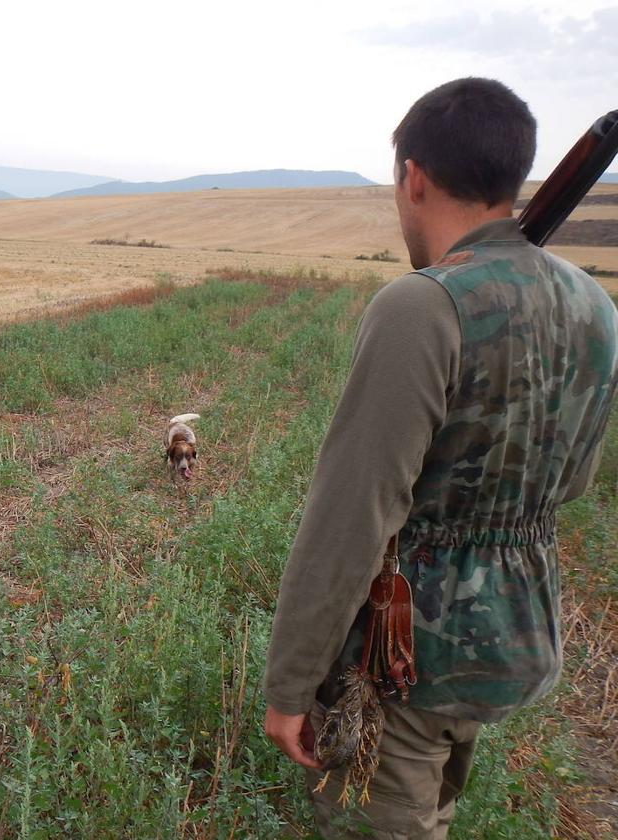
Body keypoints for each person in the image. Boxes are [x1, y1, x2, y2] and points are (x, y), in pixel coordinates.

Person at [262, 77, 618, 839]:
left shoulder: (421, 305)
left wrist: (291, 683)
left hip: (405, 661)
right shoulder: (596, 307)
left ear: (412, 175)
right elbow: (574, 481)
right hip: (513, 641)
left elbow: (353, 514)